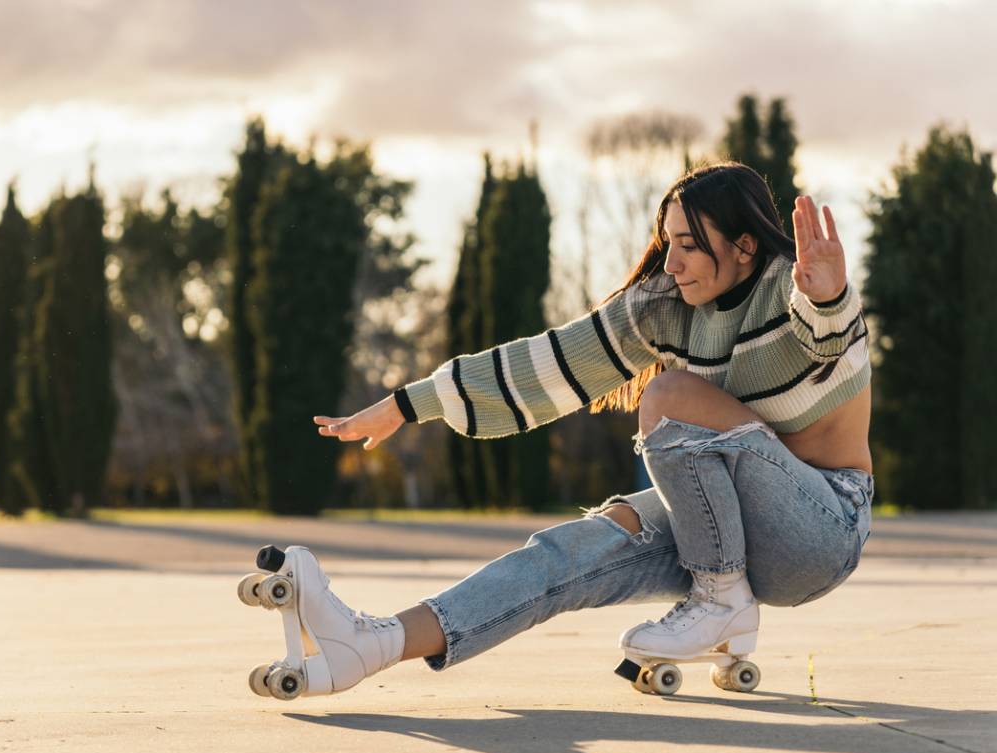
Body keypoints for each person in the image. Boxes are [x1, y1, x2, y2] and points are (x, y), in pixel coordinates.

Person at [269, 162, 874, 697]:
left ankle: (720, 598)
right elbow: (550, 363)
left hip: (821, 532)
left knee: (670, 397)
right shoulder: (665, 306)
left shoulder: (791, 291)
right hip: (734, 528)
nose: (673, 261)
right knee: (566, 552)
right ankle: (370, 645)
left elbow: (832, 340)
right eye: (668, 243)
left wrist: (831, 297)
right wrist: (409, 403)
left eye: (690, 244)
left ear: (744, 245)